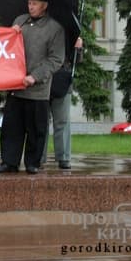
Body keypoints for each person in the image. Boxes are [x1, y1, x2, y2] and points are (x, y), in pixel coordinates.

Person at [0, 0, 65, 175]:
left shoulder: (54, 28)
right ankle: (9, 161)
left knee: (36, 129)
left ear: (44, 5)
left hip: (37, 90)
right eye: (29, 3)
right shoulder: (20, 21)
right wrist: (10, 34)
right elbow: (6, 48)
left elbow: (56, 59)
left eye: (35, 4)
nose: (30, 7)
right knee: (11, 128)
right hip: (16, 87)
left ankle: (33, 162)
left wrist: (35, 76)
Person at [43, 36, 83, 170]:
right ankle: (38, 157)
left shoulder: (69, 31)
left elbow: (77, 61)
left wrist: (79, 48)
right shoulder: (38, 26)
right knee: (40, 122)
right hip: (41, 79)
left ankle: (64, 157)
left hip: (62, 81)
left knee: (62, 121)